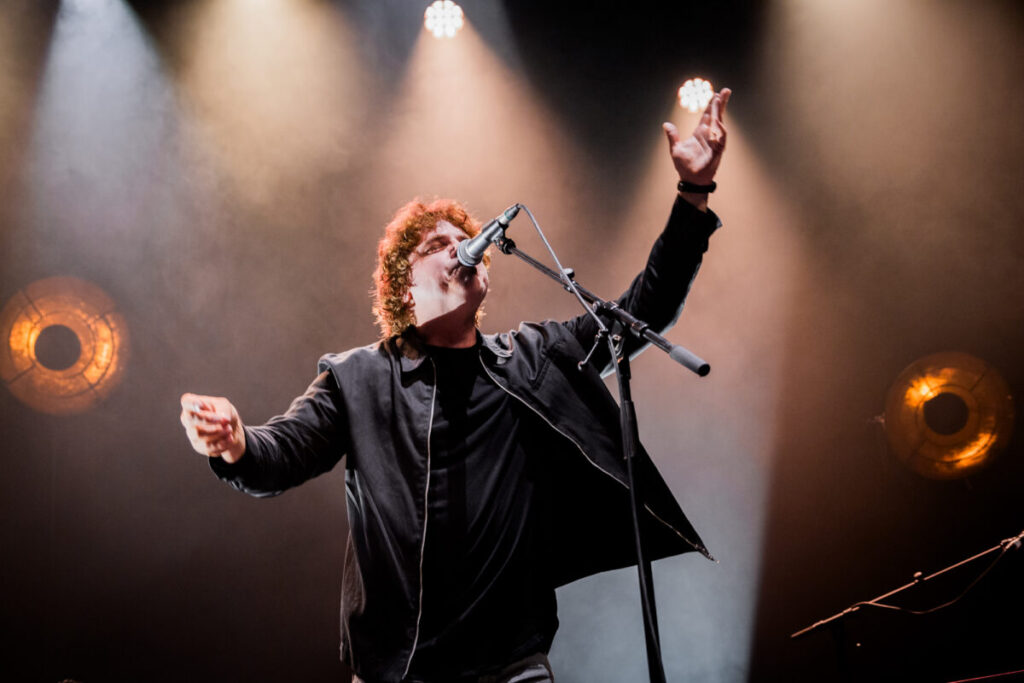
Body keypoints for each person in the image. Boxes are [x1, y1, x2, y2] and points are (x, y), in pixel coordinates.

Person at [180, 89, 731, 683]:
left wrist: (693, 196)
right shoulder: (357, 378)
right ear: (401, 288)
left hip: (513, 661)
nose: (459, 253)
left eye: (462, 244)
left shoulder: (534, 357)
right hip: (400, 666)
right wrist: (234, 441)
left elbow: (643, 306)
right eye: (434, 247)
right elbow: (279, 455)